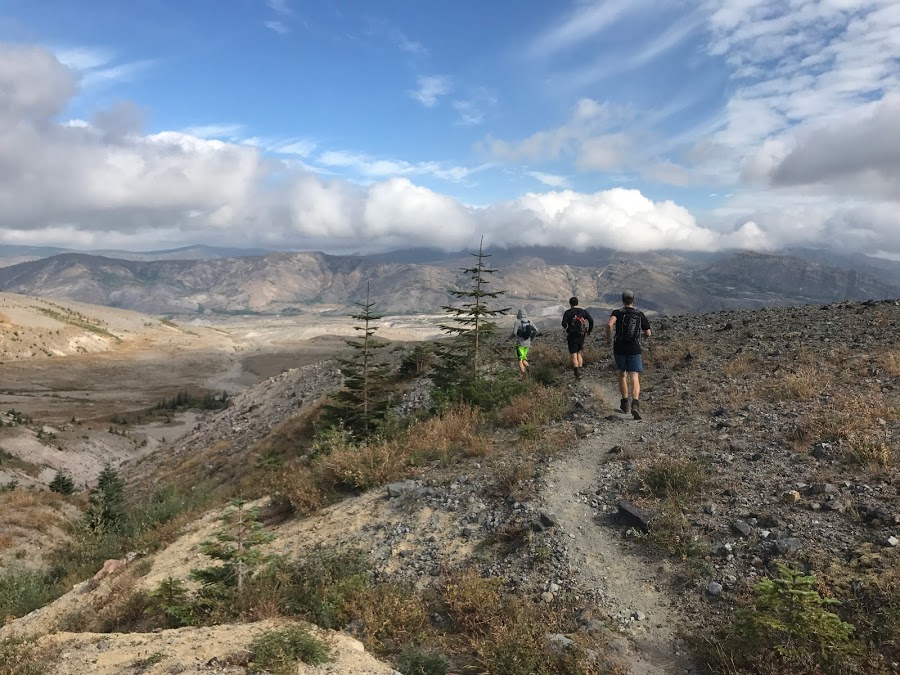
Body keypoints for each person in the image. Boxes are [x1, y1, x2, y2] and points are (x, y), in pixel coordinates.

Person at [606, 289, 651, 419]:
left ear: (622, 300)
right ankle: (635, 404)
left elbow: (609, 325)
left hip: (619, 347)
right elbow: (648, 333)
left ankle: (625, 402)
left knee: (622, 374)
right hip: (634, 347)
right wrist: (640, 338)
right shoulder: (639, 314)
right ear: (633, 300)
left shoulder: (617, 312)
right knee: (634, 376)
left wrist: (608, 340)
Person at [561, 296, 593, 379]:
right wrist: (589, 331)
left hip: (572, 336)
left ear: (570, 303)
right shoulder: (583, 312)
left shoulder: (567, 313)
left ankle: (577, 372)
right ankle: (580, 371)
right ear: (577, 303)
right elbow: (591, 320)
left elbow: (563, 323)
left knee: (574, 354)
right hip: (581, 335)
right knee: (579, 352)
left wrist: (567, 328)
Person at [512, 308, 538, 377]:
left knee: (519, 360)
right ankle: (530, 371)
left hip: (520, 344)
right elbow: (536, 330)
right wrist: (531, 339)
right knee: (523, 358)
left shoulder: (517, 322)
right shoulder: (530, 321)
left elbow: (514, 333)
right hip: (527, 343)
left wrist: (512, 338)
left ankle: (524, 375)